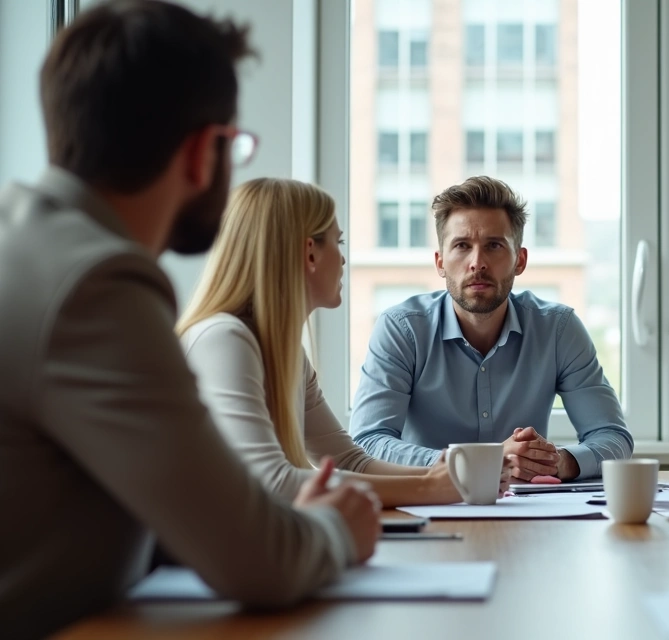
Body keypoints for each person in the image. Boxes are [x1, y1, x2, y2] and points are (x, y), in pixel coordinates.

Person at [0, 2, 379, 638]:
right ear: (204, 153)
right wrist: (335, 527)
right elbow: (261, 563)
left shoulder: (30, 243)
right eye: (236, 146)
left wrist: (281, 524)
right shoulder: (96, 288)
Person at [178, 178, 502, 506]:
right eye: (338, 241)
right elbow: (273, 482)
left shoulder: (286, 354)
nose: (344, 260)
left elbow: (349, 460)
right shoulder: (224, 340)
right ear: (310, 254)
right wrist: (429, 489)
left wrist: (459, 474)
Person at [350, 176, 633, 481]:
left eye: (494, 245)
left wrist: (558, 462)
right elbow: (366, 443)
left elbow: (614, 438)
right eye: (462, 246)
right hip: (428, 507)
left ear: (519, 260)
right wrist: (481, 463)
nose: (477, 262)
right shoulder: (402, 329)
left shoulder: (558, 329)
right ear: (440, 262)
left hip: (530, 514)